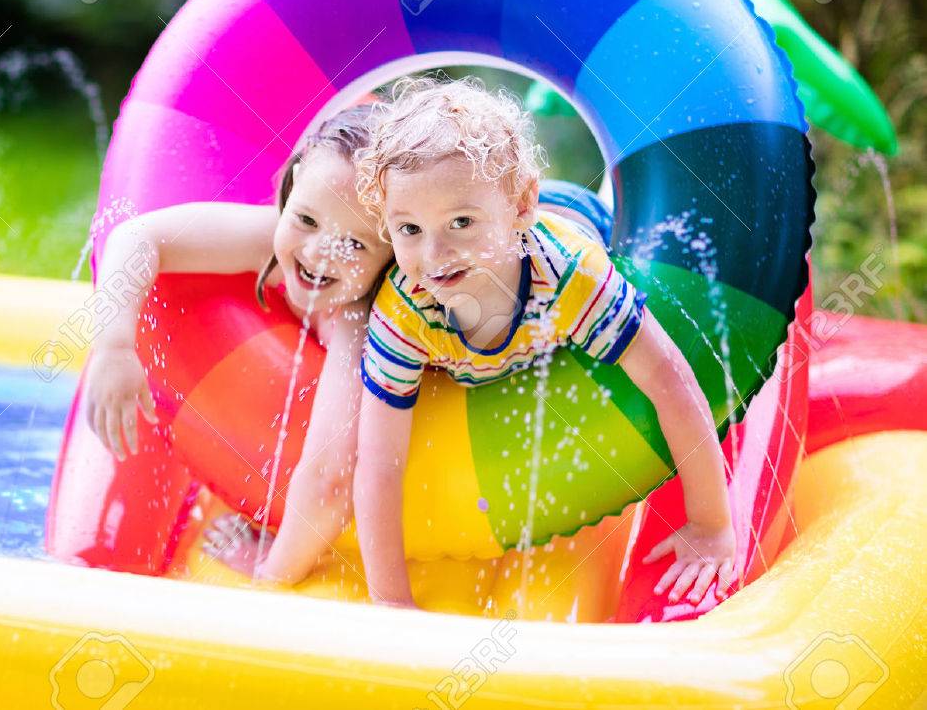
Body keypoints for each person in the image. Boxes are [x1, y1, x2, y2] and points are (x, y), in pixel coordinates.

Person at [353, 75, 737, 609]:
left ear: (518, 208)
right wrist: (391, 601)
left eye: (459, 223)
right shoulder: (406, 309)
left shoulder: (572, 278)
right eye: (409, 229)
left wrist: (712, 523)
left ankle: (582, 185)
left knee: (596, 217)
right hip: (514, 222)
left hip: (579, 221)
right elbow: (378, 461)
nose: (435, 254)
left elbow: (671, 382)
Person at [83, 104, 395, 584]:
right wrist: (113, 349)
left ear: (392, 254)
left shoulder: (360, 321)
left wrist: (269, 575)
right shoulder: (272, 235)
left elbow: (332, 479)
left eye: (355, 245)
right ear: (290, 193)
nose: (316, 254)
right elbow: (136, 236)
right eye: (307, 220)